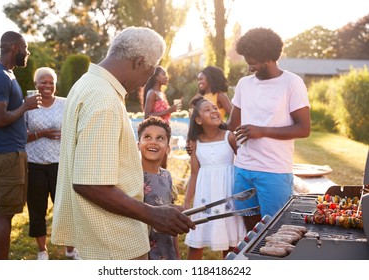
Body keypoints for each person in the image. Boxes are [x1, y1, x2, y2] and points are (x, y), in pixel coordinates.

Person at [51, 26, 195, 260]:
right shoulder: (104, 99)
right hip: (114, 240)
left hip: (103, 235)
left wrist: (157, 210)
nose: (143, 83)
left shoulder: (86, 84)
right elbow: (90, 184)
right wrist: (154, 215)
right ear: (139, 62)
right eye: (148, 73)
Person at [227, 27, 311, 231]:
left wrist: (262, 131)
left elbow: (303, 128)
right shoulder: (244, 84)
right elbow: (232, 125)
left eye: (253, 63)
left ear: (268, 58)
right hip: (243, 169)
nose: (249, 68)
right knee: (250, 233)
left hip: (273, 171)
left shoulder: (292, 83)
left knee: (275, 231)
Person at [0, 31, 41, 259]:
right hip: (6, 155)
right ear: (15, 48)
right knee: (4, 213)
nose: (28, 53)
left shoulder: (7, 74)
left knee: (8, 211)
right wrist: (25, 107)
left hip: (14, 153)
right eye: (25, 48)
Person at [25, 67, 79, 260]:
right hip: (35, 164)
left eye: (51, 82)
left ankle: (71, 249)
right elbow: (19, 136)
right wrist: (42, 133)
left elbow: (76, 128)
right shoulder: (27, 105)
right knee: (37, 207)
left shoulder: (65, 104)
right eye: (43, 82)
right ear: (36, 84)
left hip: (60, 164)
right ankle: (42, 250)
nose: (47, 86)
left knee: (65, 207)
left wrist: (69, 135)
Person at [184, 98, 246, 260]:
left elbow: (243, 163)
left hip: (228, 195)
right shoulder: (194, 143)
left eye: (214, 108)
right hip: (205, 197)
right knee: (197, 241)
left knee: (231, 242)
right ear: (198, 120)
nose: (213, 111)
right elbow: (194, 174)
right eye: (207, 109)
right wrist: (186, 202)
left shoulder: (229, 137)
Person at [137, 116, 180, 260]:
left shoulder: (166, 176)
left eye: (160, 138)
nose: (153, 141)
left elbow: (170, 217)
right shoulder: (133, 176)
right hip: (141, 252)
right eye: (147, 137)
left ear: (168, 148)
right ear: (138, 144)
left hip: (166, 250)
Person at [143, 66, 181, 168]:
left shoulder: (161, 94)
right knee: (157, 164)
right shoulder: (152, 93)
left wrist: (171, 110)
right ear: (156, 77)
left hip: (164, 132)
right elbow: (147, 115)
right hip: (156, 134)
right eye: (163, 74)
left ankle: (163, 183)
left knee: (164, 163)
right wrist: (168, 110)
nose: (166, 77)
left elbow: (162, 113)